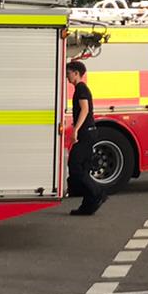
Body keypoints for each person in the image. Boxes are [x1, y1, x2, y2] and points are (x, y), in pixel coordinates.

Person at [65, 60, 105, 216]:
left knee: (75, 165)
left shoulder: (81, 88)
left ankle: (98, 192)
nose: (67, 77)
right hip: (89, 132)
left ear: (76, 73)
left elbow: (85, 109)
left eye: (68, 73)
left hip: (86, 133)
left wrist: (75, 130)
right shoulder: (80, 88)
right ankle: (88, 206)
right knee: (84, 169)